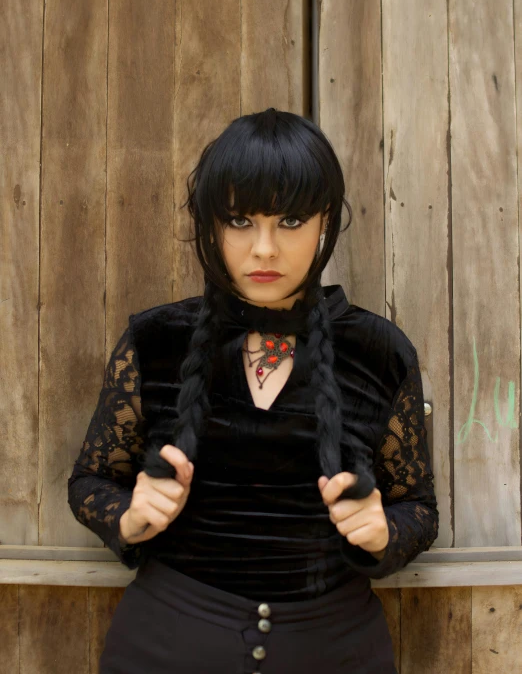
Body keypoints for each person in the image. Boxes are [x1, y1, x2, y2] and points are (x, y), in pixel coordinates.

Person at [67, 107, 439, 673]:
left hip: (338, 652)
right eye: (241, 221)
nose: (264, 249)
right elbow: (90, 480)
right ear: (212, 224)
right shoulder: (154, 340)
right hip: (161, 650)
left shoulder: (380, 351)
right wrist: (126, 515)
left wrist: (386, 531)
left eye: (290, 221)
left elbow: (419, 506)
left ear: (325, 221)